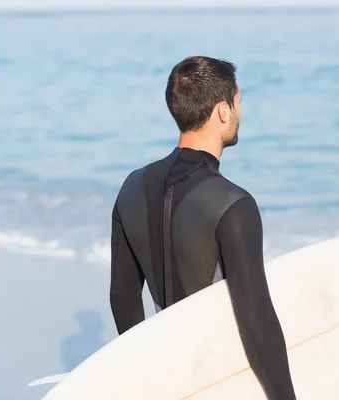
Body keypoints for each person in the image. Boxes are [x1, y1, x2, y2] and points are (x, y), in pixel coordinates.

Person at [109, 55, 297, 399]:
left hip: (168, 372)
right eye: (238, 103)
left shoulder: (131, 186)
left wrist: (143, 376)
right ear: (223, 111)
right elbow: (255, 320)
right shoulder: (233, 204)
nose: (240, 113)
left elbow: (123, 297)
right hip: (219, 373)